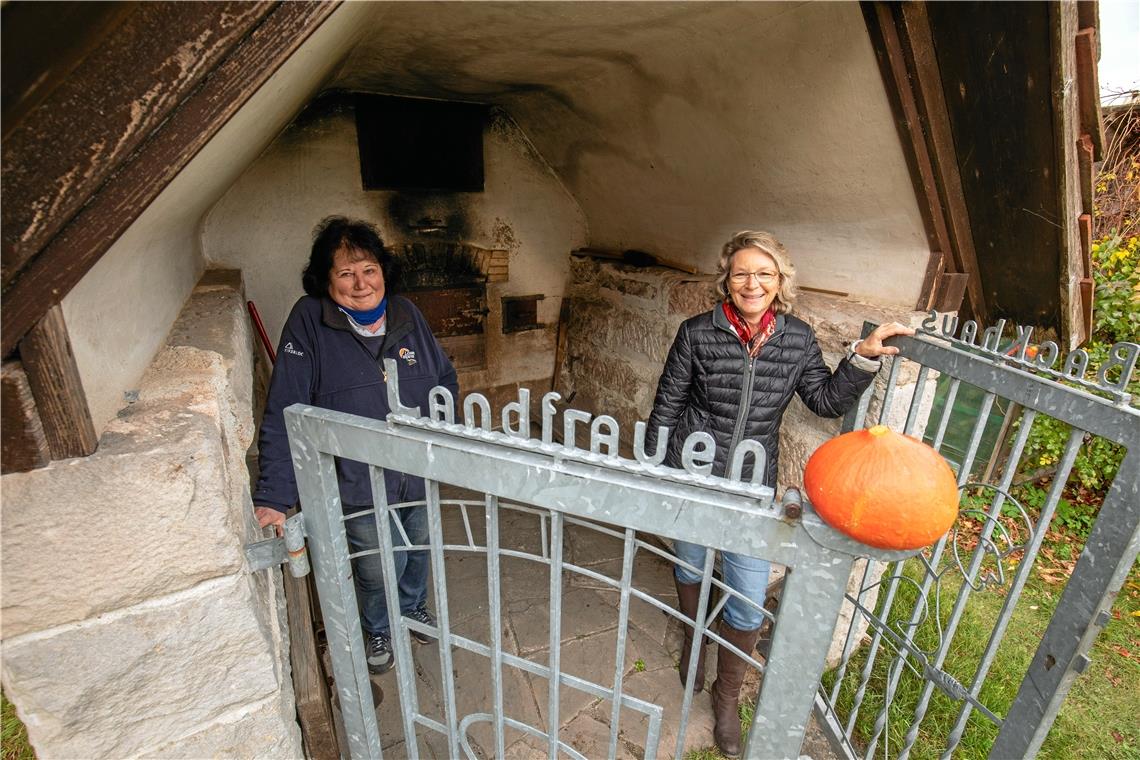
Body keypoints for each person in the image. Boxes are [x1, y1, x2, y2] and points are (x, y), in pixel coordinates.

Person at [646, 230, 911, 757]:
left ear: (779, 282)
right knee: (692, 564)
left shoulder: (796, 338)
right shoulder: (697, 332)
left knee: (745, 597)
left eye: (764, 273)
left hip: (750, 482)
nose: (752, 283)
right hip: (694, 471)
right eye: (742, 272)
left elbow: (824, 399)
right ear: (727, 278)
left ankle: (726, 697)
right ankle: (695, 644)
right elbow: (667, 404)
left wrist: (861, 358)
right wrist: (658, 470)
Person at [253, 216, 458, 676]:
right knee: (375, 565)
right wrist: (274, 494)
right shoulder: (310, 319)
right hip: (356, 477)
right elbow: (288, 407)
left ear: (383, 270)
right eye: (345, 273)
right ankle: (380, 624)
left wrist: (447, 440)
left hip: (418, 467)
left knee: (418, 547)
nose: (360, 283)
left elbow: (444, 377)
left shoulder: (406, 312)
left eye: (368, 269)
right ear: (327, 280)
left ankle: (413, 606)